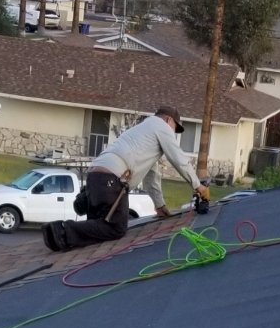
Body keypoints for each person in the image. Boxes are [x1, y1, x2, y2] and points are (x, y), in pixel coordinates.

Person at [43, 105, 210, 251]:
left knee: (97, 228)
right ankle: (61, 230)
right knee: (115, 228)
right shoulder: (161, 126)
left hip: (95, 176)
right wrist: (199, 187)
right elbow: (179, 159)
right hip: (112, 178)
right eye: (175, 127)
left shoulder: (144, 134)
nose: (174, 132)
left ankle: (58, 238)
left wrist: (159, 206)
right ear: (168, 119)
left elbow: (152, 177)